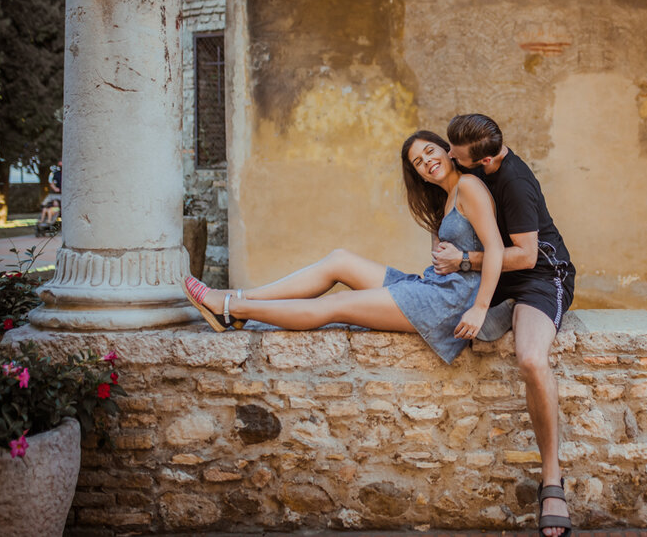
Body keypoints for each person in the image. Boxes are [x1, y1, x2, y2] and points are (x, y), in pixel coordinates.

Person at [182, 130, 504, 365]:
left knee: (340, 305)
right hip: (434, 287)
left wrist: (479, 308)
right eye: (418, 162)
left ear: (446, 150)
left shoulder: (469, 186)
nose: (427, 162)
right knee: (340, 260)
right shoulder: (446, 197)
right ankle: (239, 297)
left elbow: (497, 250)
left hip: (449, 303)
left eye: (431, 152)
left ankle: (233, 309)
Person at [436, 113, 575, 537]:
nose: (446, 157)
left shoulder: (512, 181)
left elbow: (526, 255)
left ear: (487, 162)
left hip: (538, 279)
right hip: (495, 281)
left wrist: (462, 261)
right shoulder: (473, 171)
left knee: (532, 360)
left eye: (454, 155)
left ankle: (551, 481)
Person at [38, 161, 62, 230]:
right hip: (56, 193)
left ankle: (49, 221)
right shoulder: (56, 174)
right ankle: (42, 220)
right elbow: (52, 183)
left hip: (61, 194)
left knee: (49, 210)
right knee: (45, 208)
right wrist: (55, 188)